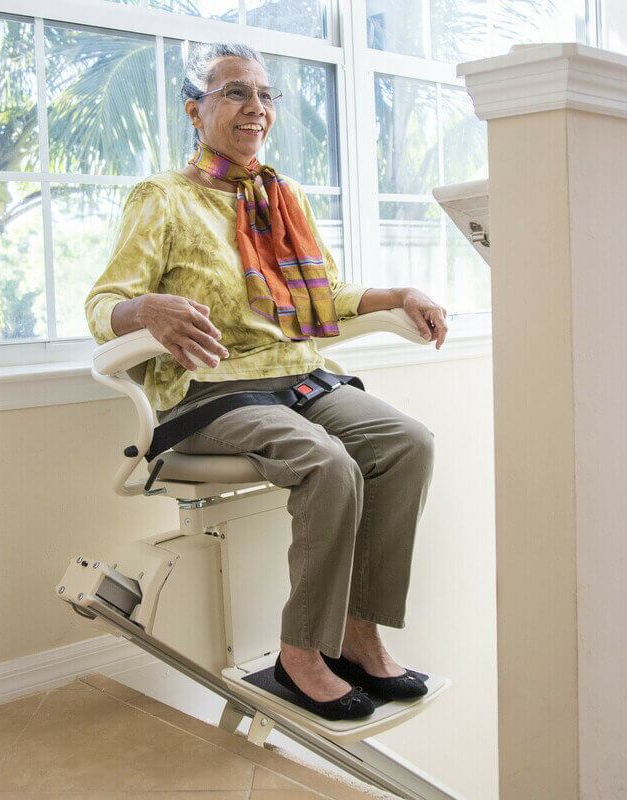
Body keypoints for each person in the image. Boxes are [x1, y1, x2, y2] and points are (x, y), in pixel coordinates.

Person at [85, 42, 448, 720]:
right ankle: (300, 653)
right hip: (210, 388)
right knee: (328, 464)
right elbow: (103, 304)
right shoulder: (162, 198)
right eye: (233, 93)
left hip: (295, 374)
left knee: (408, 443)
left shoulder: (283, 197)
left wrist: (401, 292)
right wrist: (148, 310)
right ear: (196, 111)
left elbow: (325, 295)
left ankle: (354, 629)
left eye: (264, 95)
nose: (255, 108)